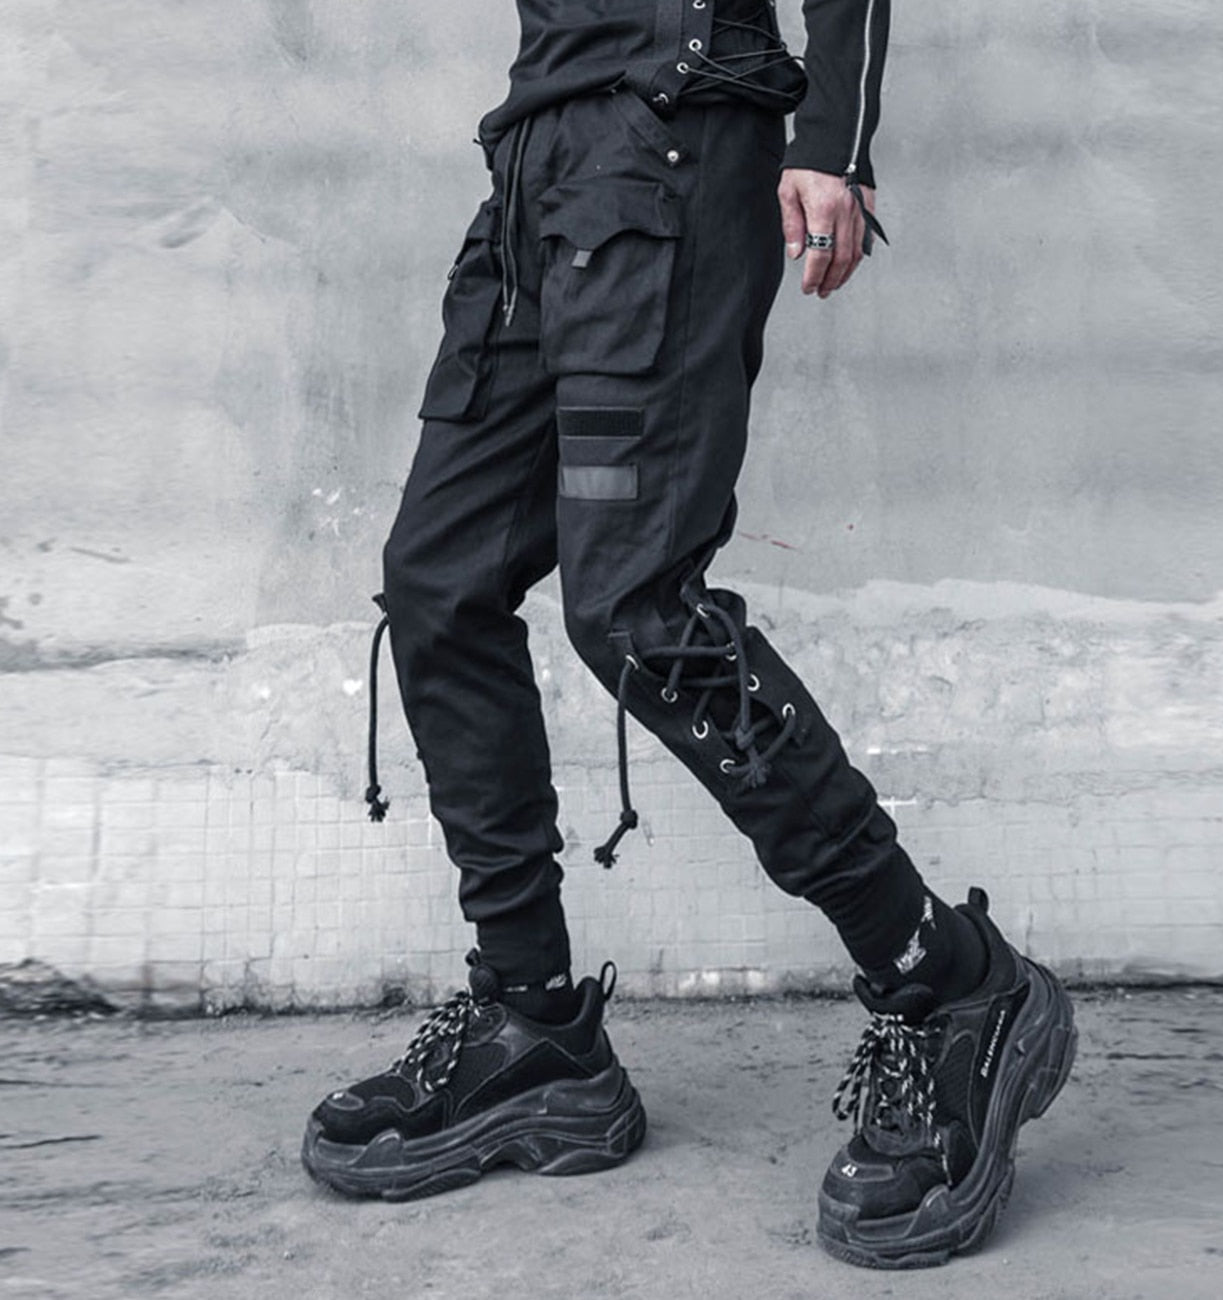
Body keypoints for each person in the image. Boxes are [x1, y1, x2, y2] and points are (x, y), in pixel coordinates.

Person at [301, 0, 1076, 1268]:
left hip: (672, 143)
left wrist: (833, 139)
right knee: (438, 581)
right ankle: (534, 1027)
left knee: (636, 612)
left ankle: (948, 976)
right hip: (534, 170)